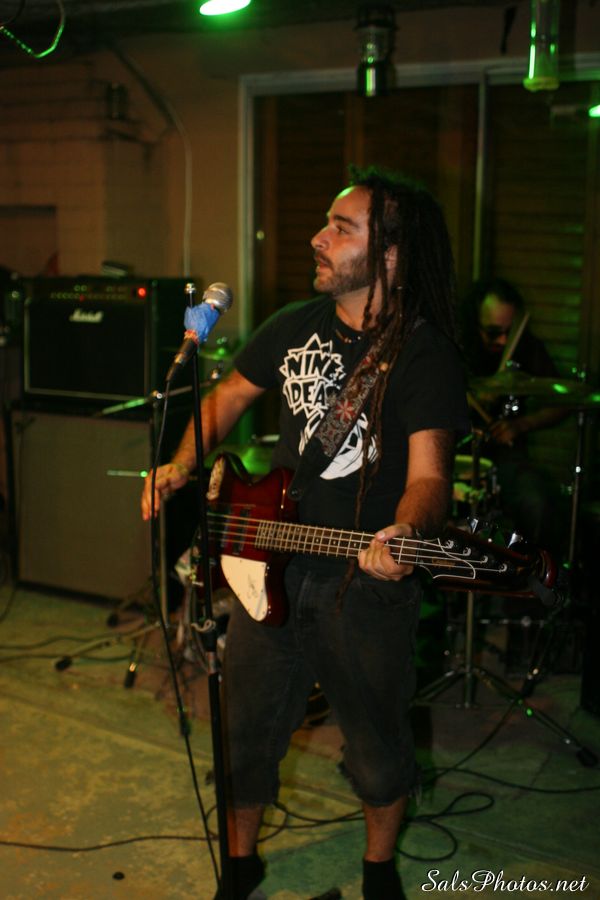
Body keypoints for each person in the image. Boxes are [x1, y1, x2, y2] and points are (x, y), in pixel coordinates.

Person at [142, 165, 470, 900]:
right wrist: (181, 464)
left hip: (362, 579)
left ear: (389, 255)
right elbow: (228, 396)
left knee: (377, 745)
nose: (318, 238)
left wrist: (404, 531)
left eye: (341, 228)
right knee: (246, 730)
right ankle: (240, 864)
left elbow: (430, 479)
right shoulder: (293, 324)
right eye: (325, 223)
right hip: (268, 562)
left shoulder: (423, 354)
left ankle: (378, 871)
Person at [460, 277, 568, 556]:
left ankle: (528, 573)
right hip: (457, 456)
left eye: (509, 331)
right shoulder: (457, 345)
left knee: (538, 503)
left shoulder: (526, 346)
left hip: (507, 458)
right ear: (475, 321)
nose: (504, 340)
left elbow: (562, 402)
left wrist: (520, 425)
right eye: (493, 332)